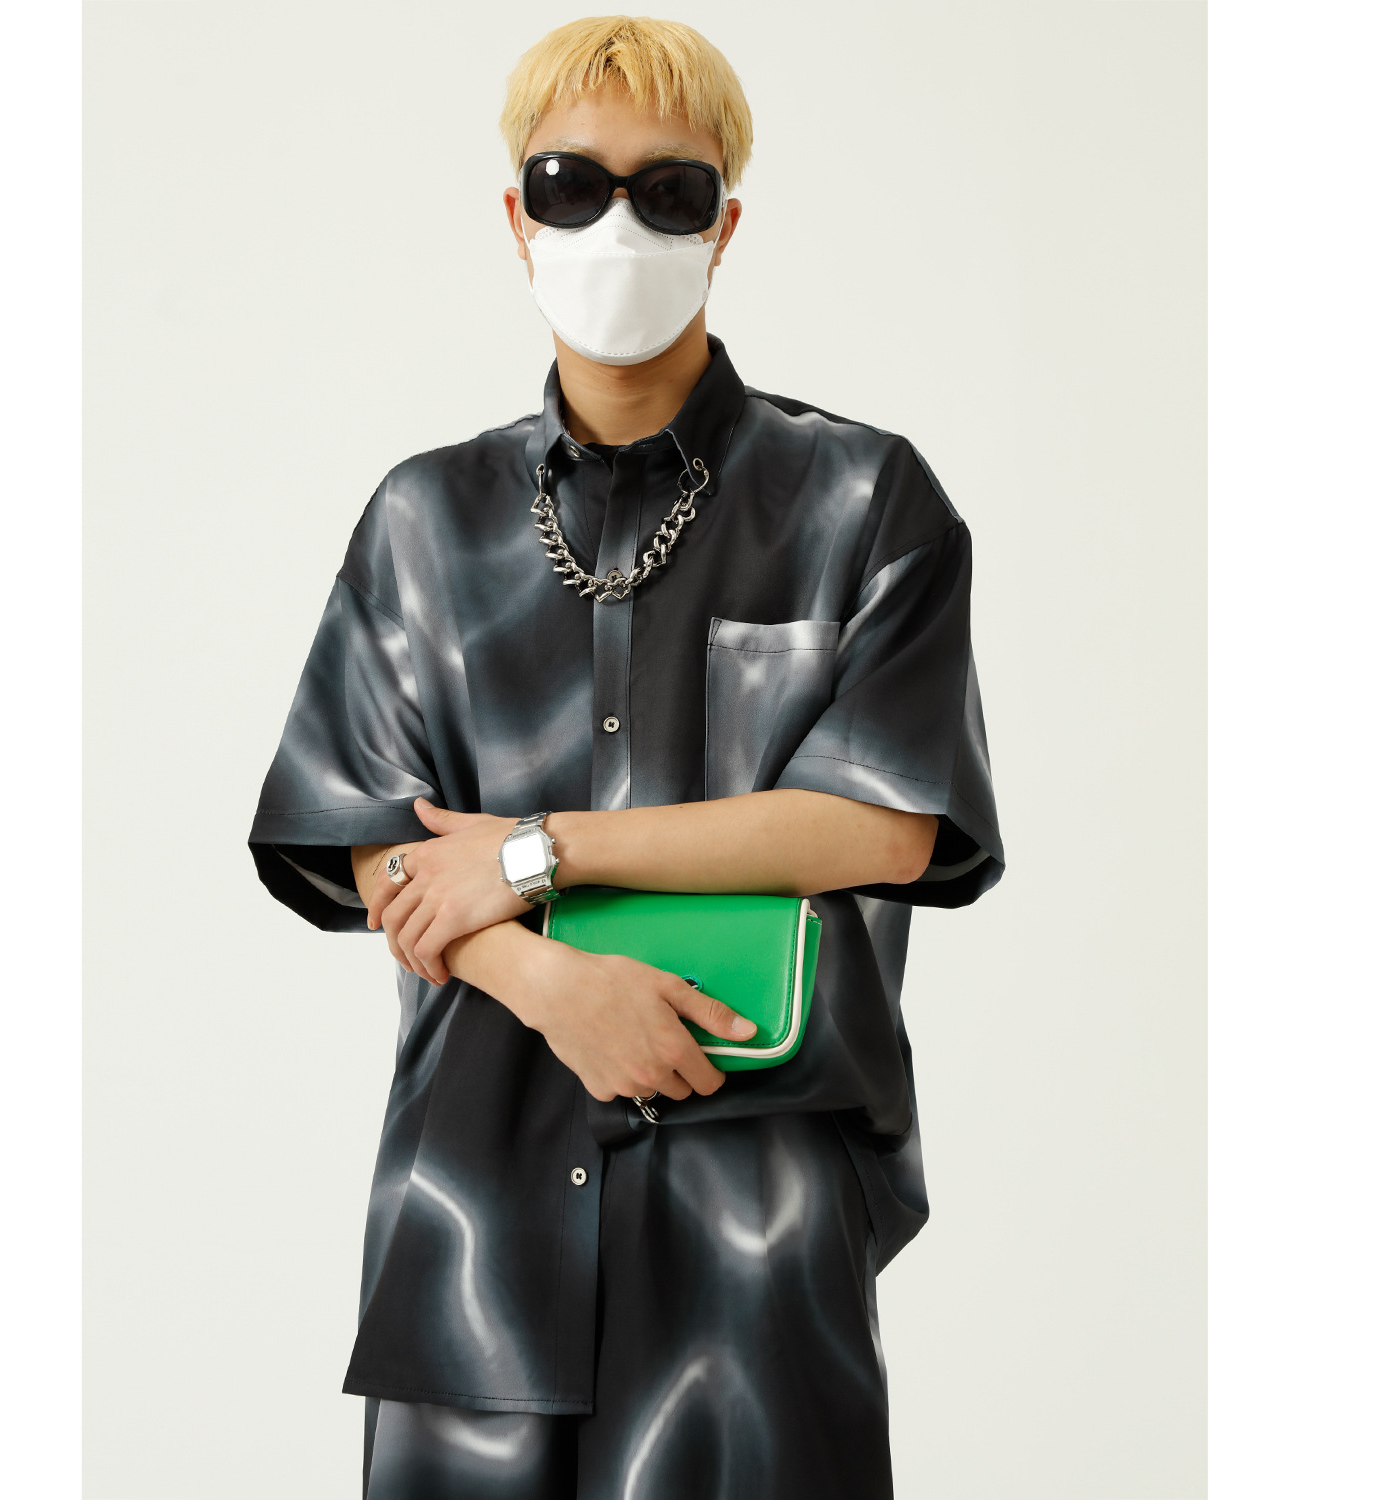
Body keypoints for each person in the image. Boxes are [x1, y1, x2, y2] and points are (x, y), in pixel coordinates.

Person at [249, 16, 1003, 1499]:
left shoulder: (862, 499)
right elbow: (367, 832)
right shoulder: (424, 521)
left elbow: (887, 825)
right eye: (570, 183)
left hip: (753, 1229)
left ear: (726, 222)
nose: (618, 224)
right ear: (515, 216)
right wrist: (554, 986)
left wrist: (539, 857)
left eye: (668, 190)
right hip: (474, 1231)